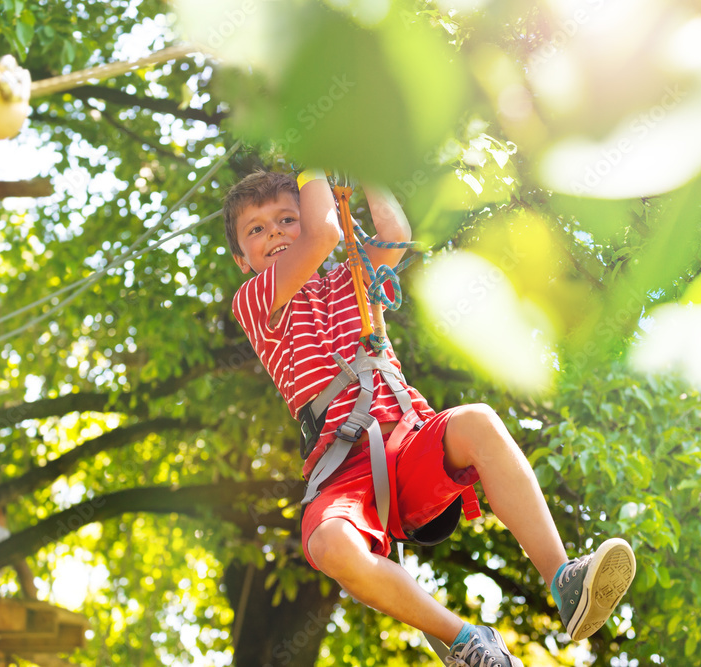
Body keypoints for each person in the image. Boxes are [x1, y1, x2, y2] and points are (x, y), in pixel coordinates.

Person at [225, 170, 636, 665]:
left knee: (478, 421)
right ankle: (464, 640)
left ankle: (564, 580)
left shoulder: (351, 276)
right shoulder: (255, 301)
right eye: (257, 229)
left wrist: (367, 165)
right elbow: (325, 233)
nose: (274, 234)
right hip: (341, 472)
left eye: (286, 219)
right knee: (331, 543)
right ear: (241, 260)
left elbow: (394, 231)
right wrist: (312, 160)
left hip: (406, 440)